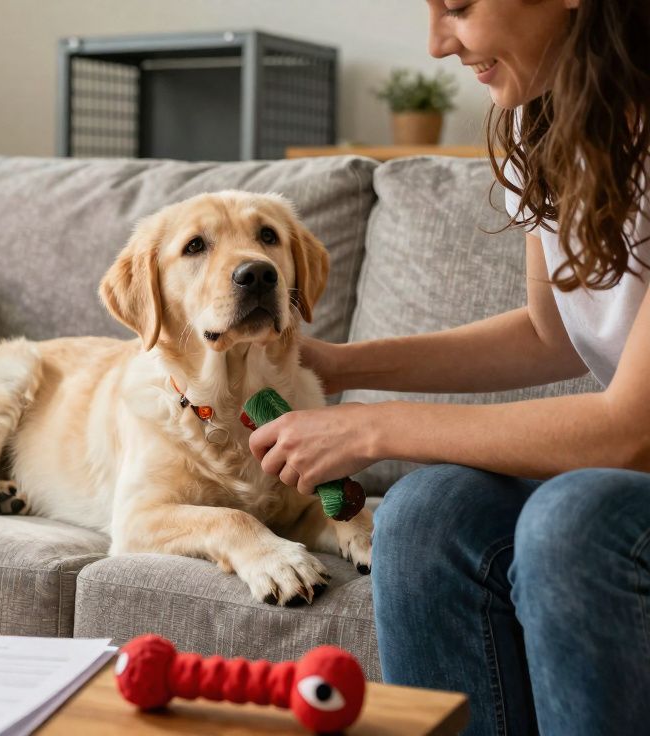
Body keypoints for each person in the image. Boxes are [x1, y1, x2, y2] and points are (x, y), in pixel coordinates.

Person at [246, 1, 650, 733]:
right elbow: (545, 333)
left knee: (572, 519)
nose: (436, 45)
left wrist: (375, 431)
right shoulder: (543, 122)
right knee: (425, 515)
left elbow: (628, 433)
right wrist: (341, 365)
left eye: (459, 7)